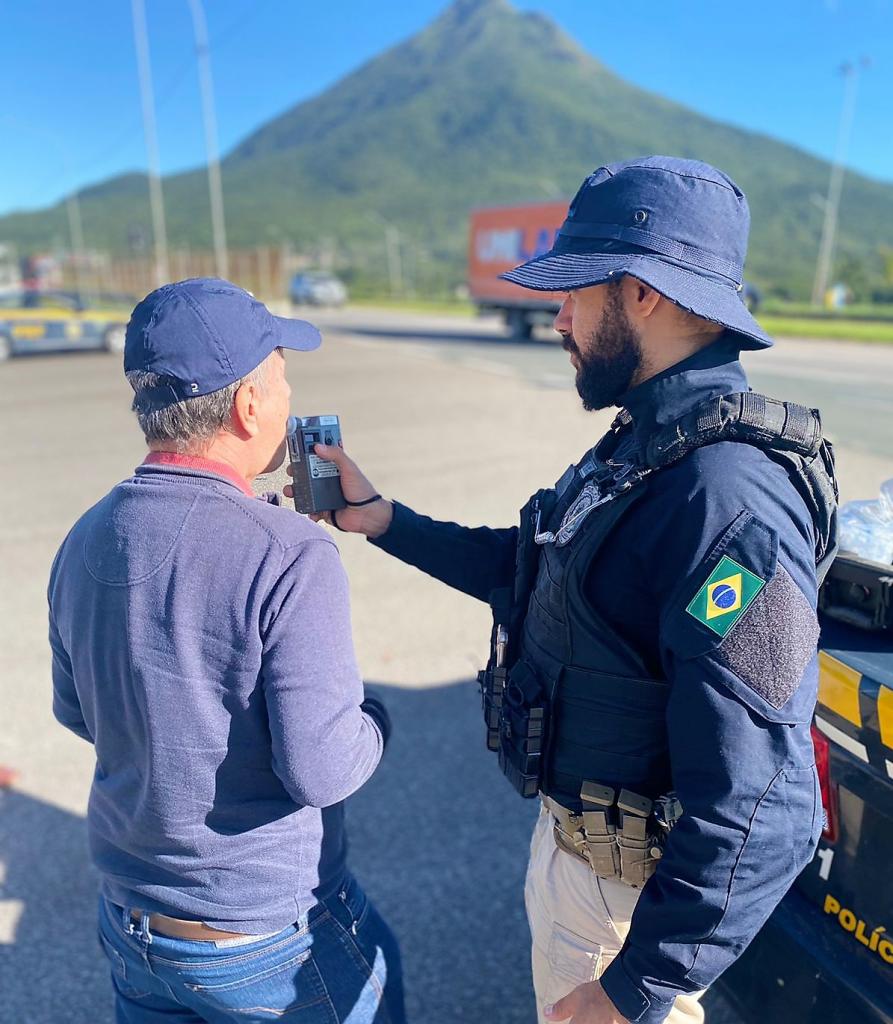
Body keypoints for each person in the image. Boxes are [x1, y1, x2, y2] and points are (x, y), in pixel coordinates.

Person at [293, 157, 838, 1024]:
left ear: (643, 294)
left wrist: (636, 987)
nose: (555, 318)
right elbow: (542, 577)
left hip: (622, 918)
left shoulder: (724, 500)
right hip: (584, 865)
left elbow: (764, 801)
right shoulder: (648, 445)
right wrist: (388, 520)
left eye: (574, 292)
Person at [48, 278, 404, 1024]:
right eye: (282, 381)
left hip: (135, 925)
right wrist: (374, 717)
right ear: (247, 405)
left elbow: (79, 712)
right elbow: (324, 767)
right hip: (265, 937)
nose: (290, 402)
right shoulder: (289, 553)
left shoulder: (84, 535)